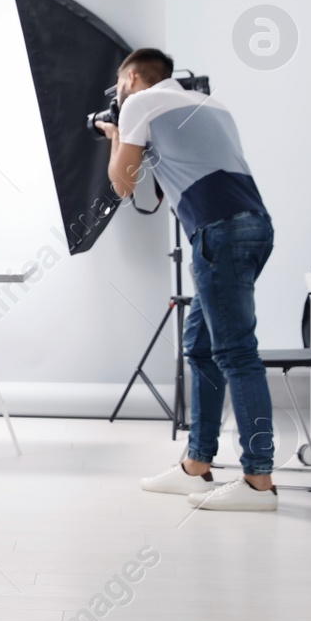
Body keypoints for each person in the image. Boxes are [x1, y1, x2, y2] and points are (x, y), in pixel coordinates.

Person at [96, 48, 278, 512]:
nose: (119, 92)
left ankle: (259, 481)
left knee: (237, 353)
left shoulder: (139, 102)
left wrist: (116, 134)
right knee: (200, 347)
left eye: (119, 84)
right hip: (253, 226)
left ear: (132, 78)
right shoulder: (212, 104)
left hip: (218, 231)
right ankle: (196, 466)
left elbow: (122, 183)